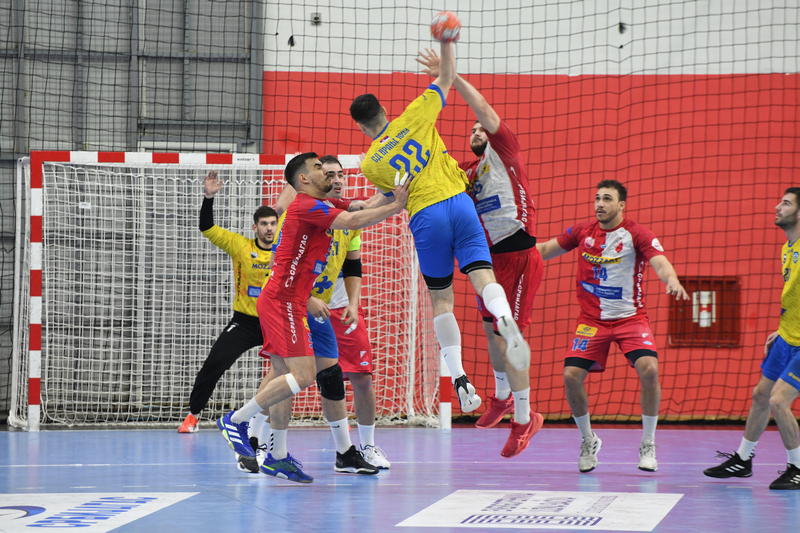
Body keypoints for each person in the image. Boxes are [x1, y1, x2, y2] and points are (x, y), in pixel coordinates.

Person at [349, 34, 536, 457]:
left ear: (362, 126)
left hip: (426, 216)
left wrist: (365, 205)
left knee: (441, 299)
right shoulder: (415, 113)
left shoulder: (371, 162)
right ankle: (504, 317)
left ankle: (461, 378)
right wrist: (447, 42)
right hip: (460, 203)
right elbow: (447, 77)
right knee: (483, 277)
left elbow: (395, 196)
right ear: (384, 111)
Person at [215, 152, 407, 479]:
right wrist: (397, 207)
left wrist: (394, 190)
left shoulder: (323, 203)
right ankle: (235, 421)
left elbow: (361, 207)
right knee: (303, 376)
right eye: (319, 168)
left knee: (284, 375)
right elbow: (353, 221)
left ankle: (276, 456)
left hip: (289, 301)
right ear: (303, 179)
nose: (327, 173)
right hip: (285, 301)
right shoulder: (305, 206)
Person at [416, 48, 544, 457]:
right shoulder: (466, 173)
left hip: (518, 255)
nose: (475, 132)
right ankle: (502, 397)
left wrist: (450, 76)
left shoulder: (504, 150)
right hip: (489, 262)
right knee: (491, 333)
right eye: (470, 131)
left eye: (480, 129)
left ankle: (525, 417)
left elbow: (484, 108)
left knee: (507, 336)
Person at [537, 180, 688, 473]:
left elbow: (659, 261)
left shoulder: (637, 234)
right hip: (591, 322)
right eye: (597, 198)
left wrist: (671, 279)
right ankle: (588, 440)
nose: (600, 204)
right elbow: (543, 250)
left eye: (607, 199)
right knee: (570, 376)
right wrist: (502, 251)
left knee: (649, 369)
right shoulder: (582, 232)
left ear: (621, 205)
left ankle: (648, 443)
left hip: (630, 318)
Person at [703, 188, 800, 490]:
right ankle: (743, 460)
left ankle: (798, 467)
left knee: (778, 401)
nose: (777, 207)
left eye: (786, 203)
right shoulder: (788, 248)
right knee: (761, 395)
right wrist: (782, 328)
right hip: (787, 336)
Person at [177, 172, 277, 433]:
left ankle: (267, 425)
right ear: (255, 227)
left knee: (294, 371)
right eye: (264, 224)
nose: (269, 228)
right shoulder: (240, 246)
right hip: (245, 323)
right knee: (214, 363)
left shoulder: (286, 251)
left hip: (276, 323)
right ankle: (193, 416)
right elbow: (207, 228)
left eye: (272, 224)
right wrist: (208, 198)